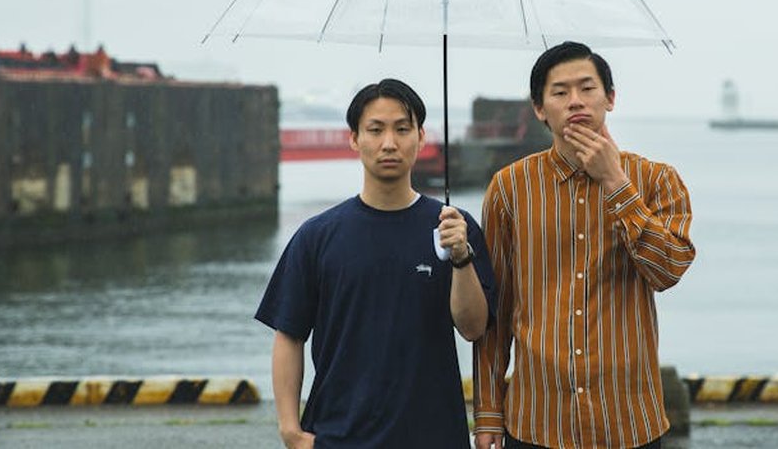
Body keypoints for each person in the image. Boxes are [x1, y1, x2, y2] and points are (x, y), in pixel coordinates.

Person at [472, 42, 696, 449]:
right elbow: (497, 308)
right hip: (537, 423)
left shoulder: (656, 180)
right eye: (559, 92)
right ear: (539, 108)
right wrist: (488, 412)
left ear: (610, 98)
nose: (575, 101)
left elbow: (668, 271)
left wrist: (616, 183)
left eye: (587, 88)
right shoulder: (510, 187)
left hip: (629, 424)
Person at [256, 78, 495, 448]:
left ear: (421, 136)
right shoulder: (317, 236)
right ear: (354, 138)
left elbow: (474, 328)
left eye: (402, 129)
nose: (389, 143)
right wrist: (290, 429)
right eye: (375, 129)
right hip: (338, 435)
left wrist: (462, 257)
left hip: (434, 435)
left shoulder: (454, 229)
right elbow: (289, 333)